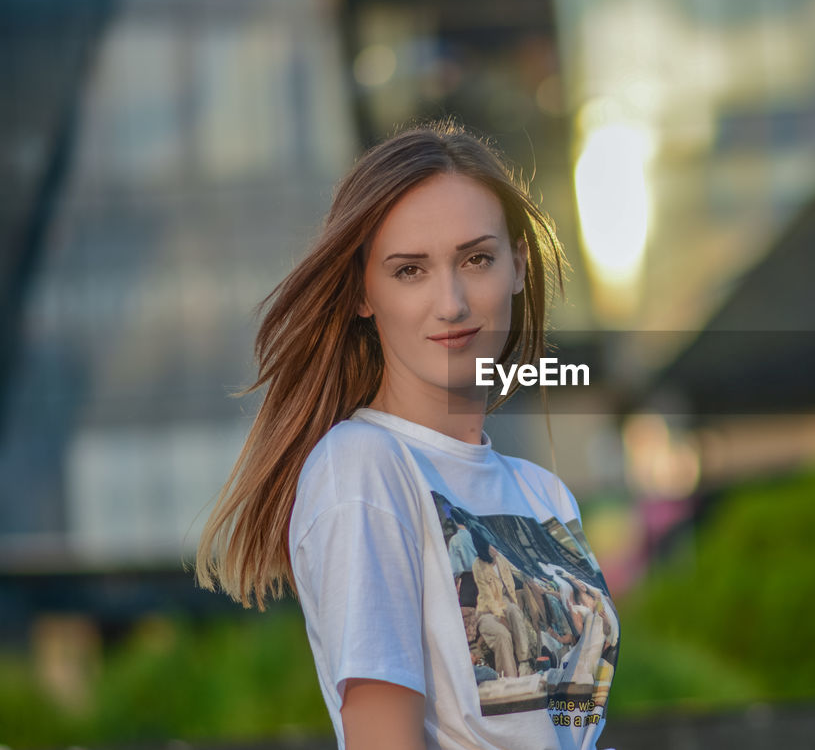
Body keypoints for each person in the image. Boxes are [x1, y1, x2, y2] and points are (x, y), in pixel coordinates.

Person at [194, 121, 619, 750]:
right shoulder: (363, 467)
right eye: (410, 270)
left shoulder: (546, 495)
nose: (450, 302)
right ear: (364, 293)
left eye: (476, 259)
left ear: (519, 267)